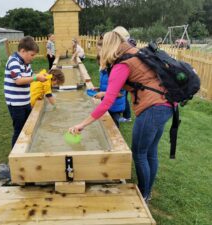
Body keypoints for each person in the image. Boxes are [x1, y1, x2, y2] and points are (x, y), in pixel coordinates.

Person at [69, 26, 173, 202]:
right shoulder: (135, 53)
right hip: (167, 103)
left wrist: (82, 124)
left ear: (108, 46)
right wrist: (106, 92)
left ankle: (144, 193)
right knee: (150, 151)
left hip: (153, 108)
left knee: (140, 153)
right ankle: (148, 189)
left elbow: (107, 104)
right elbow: (125, 87)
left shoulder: (121, 64)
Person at [4, 36, 47, 148]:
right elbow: (18, 80)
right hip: (16, 104)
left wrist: (39, 76)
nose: (33, 58)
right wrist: (36, 78)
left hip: (25, 101)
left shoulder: (26, 63)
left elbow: (31, 76)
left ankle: (26, 148)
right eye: (32, 55)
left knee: (28, 126)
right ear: (23, 51)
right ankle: (15, 158)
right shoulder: (13, 61)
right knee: (19, 129)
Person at [93, 35, 126, 127]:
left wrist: (103, 93)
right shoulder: (104, 70)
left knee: (114, 126)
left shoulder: (116, 69)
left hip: (115, 105)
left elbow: (121, 93)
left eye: (100, 52)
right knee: (108, 123)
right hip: (107, 103)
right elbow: (107, 86)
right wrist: (99, 88)